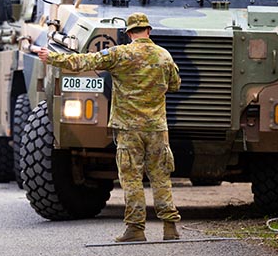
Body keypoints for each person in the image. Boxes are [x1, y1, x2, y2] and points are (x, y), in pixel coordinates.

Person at [36, 12, 182, 242]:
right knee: (161, 176)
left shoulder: (120, 54)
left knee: (132, 178)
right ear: (148, 30)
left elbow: (84, 62)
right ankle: (170, 227)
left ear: (129, 33)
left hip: (128, 129)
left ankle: (136, 229)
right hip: (157, 128)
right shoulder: (164, 56)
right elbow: (175, 85)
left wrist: (52, 58)